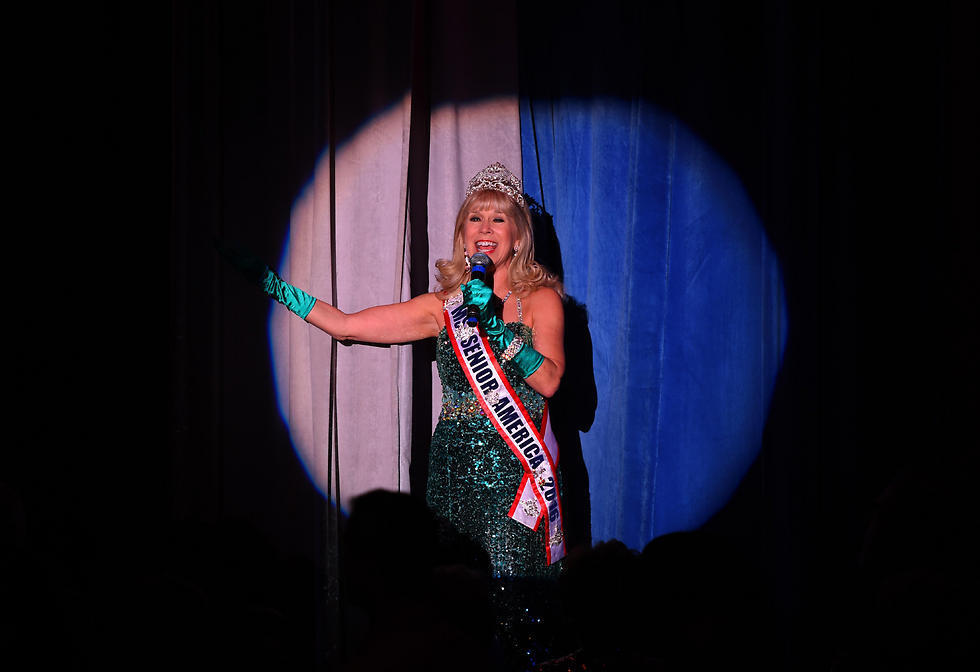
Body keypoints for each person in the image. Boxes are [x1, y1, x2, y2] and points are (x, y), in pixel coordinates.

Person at [251, 162, 567, 580]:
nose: (484, 227)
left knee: (515, 597)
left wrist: (497, 328)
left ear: (518, 236)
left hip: (517, 472)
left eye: (498, 217)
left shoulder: (541, 299)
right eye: (475, 217)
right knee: (452, 591)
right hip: (453, 470)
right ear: (462, 234)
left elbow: (548, 380)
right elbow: (347, 326)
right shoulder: (441, 307)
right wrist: (276, 288)